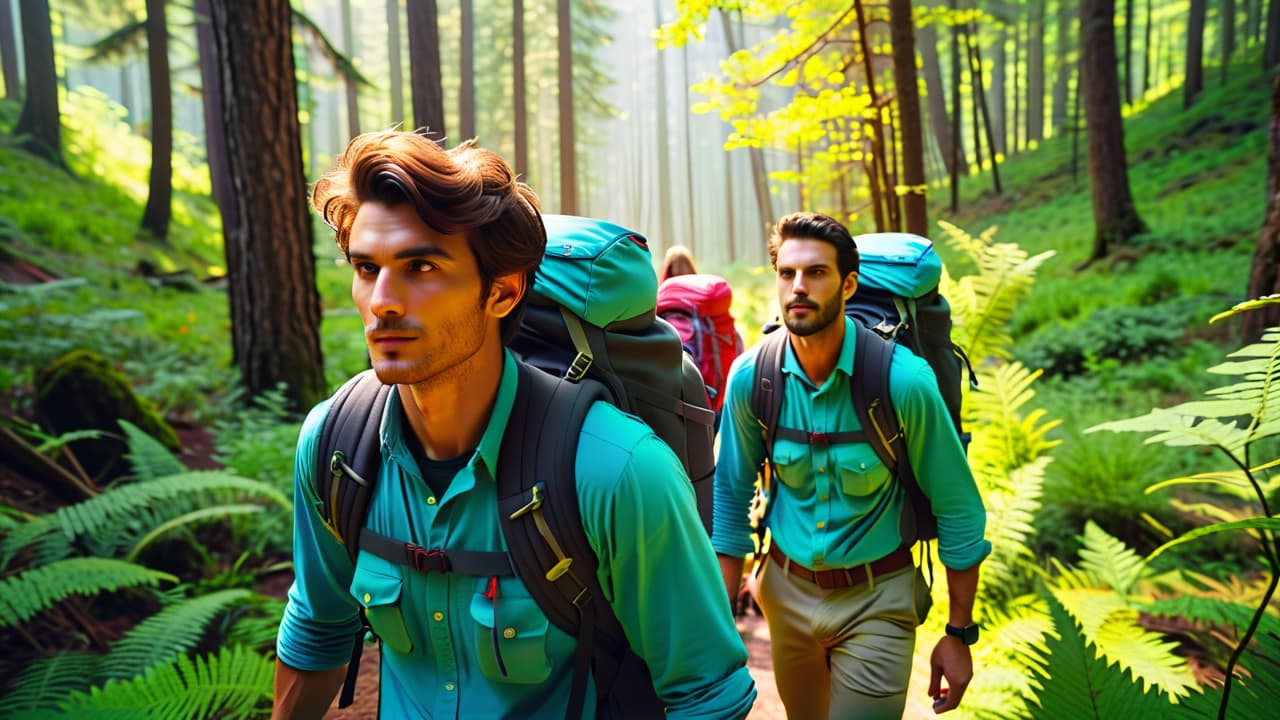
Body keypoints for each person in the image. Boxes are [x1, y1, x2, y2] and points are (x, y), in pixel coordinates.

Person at [273, 129, 757, 719]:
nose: (383, 301)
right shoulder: (335, 448)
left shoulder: (616, 471)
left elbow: (706, 694)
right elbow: (318, 629)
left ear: (502, 291)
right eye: (366, 267)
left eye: (420, 265)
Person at [712, 212, 990, 719]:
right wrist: (717, 626)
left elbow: (959, 510)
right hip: (785, 596)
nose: (798, 286)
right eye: (787, 273)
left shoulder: (903, 382)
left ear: (849, 284)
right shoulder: (753, 377)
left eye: (816, 272)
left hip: (878, 601)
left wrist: (958, 635)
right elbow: (728, 500)